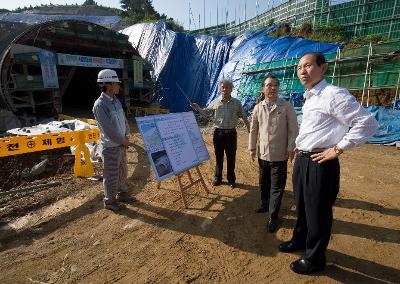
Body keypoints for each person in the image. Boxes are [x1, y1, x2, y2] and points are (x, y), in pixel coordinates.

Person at [278, 52, 378, 274]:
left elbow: (367, 123)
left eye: (308, 66)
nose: (302, 71)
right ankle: (299, 240)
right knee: (302, 206)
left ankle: (314, 259)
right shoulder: (311, 96)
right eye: (299, 67)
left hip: (320, 162)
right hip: (303, 159)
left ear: (323, 68)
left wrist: (338, 148)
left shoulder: (333, 94)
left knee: (318, 213)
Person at [248, 75, 298, 233]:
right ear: (263, 88)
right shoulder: (258, 108)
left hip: (279, 154)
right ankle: (264, 204)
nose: (272, 88)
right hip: (263, 154)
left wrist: (291, 148)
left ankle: (273, 217)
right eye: (269, 85)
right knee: (263, 182)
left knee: (277, 187)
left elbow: (293, 130)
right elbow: (253, 130)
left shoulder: (286, 106)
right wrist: (252, 147)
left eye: (275, 85)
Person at [191, 79, 250, 188]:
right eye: (223, 87)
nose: (225, 89)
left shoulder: (237, 103)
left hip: (231, 134)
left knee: (231, 157)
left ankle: (231, 179)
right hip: (218, 134)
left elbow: (243, 117)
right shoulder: (215, 102)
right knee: (219, 157)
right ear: (220, 89)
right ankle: (218, 178)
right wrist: (198, 108)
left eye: (227, 87)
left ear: (232, 89)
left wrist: (250, 131)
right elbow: (206, 112)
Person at [92, 69, 136, 211]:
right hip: (111, 146)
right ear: (108, 84)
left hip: (121, 143)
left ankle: (122, 193)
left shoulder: (116, 101)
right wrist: (122, 140)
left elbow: (124, 120)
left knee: (122, 170)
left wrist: (127, 135)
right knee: (111, 174)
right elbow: (108, 129)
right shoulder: (100, 105)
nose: (119, 86)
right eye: (116, 83)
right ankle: (110, 202)